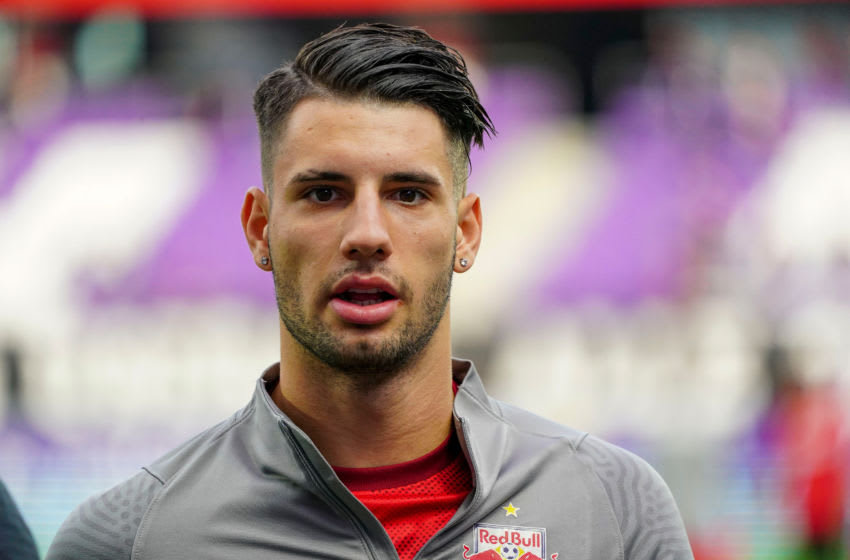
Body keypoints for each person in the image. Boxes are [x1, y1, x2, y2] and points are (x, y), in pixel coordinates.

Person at [46, 23, 693, 560]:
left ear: (466, 232)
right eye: (324, 193)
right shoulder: (124, 539)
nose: (366, 234)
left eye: (408, 194)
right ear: (259, 228)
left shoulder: (614, 512)